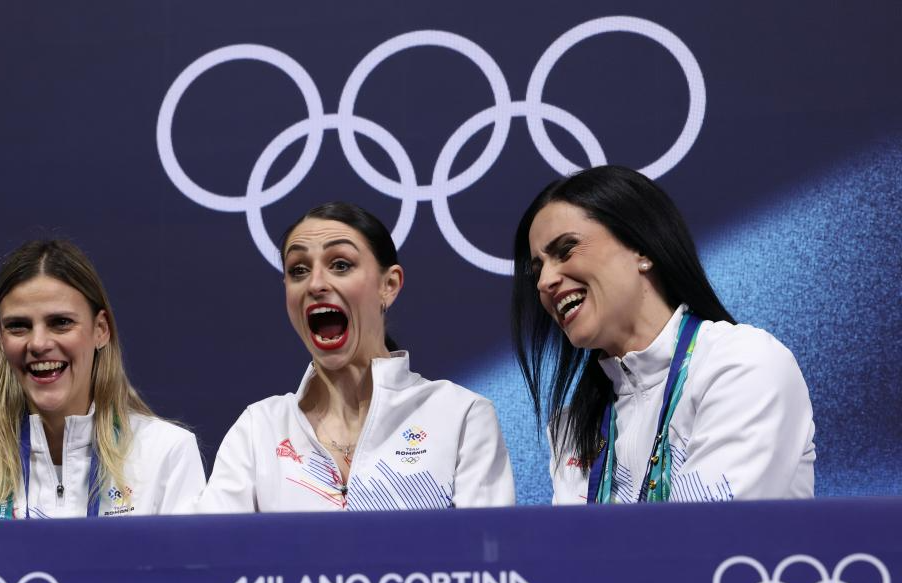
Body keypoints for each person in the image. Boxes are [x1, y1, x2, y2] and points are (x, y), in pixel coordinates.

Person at [511, 166, 815, 504]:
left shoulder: (741, 365)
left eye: (566, 249)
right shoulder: (573, 427)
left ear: (642, 250)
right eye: (537, 270)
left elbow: (707, 530)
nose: (545, 282)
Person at [197, 202, 514, 512]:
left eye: (340, 265)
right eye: (298, 270)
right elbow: (211, 544)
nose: (316, 284)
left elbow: (489, 543)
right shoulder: (259, 429)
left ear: (389, 285)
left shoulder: (460, 416)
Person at [0, 240, 205, 520]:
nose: (39, 343)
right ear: (1, 339)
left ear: (100, 330)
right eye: (18, 326)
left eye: (61, 323)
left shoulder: (166, 455)